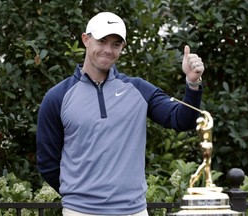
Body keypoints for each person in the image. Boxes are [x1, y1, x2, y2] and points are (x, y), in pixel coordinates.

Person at [36, 12, 205, 216]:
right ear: (85, 40)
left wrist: (192, 83)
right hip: (80, 212)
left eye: (116, 44)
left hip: (133, 211)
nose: (108, 50)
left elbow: (181, 120)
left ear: (122, 48)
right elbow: (47, 162)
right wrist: (77, 195)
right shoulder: (57, 97)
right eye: (102, 41)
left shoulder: (138, 89)